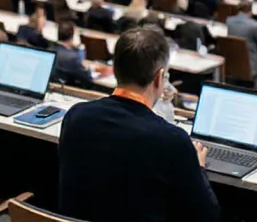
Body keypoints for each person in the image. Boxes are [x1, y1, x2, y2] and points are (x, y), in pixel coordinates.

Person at [56, 26, 220, 222]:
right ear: (159, 78)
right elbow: (209, 217)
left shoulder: (76, 116)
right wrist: (199, 168)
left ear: (115, 69)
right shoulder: (173, 141)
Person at [223, 3, 257, 84]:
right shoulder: (254, 25)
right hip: (251, 67)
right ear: (250, 11)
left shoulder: (228, 21)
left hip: (233, 64)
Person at [51, 19, 93, 88]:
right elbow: (88, 79)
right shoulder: (74, 58)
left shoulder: (51, 50)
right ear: (72, 36)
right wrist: (88, 68)